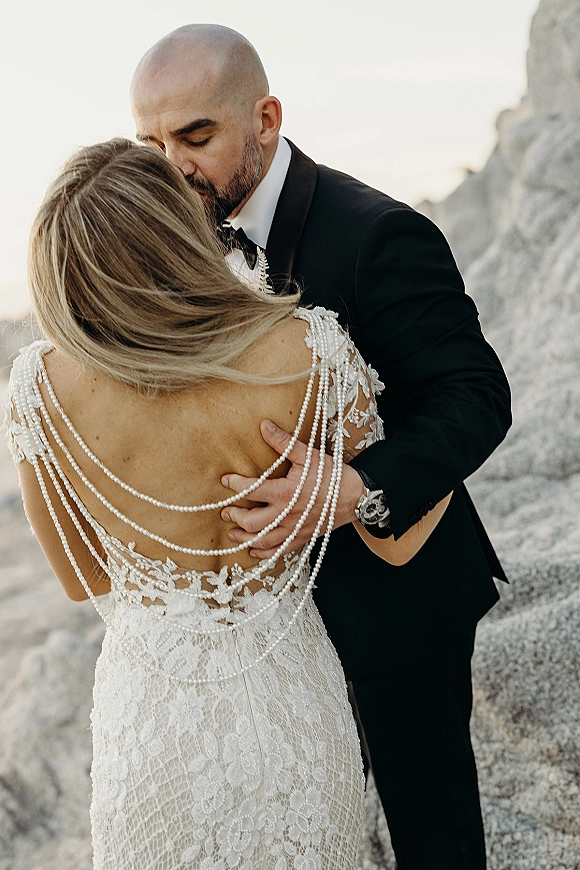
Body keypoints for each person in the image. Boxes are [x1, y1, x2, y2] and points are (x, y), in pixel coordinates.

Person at [7, 139, 453, 870]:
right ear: (179, 233)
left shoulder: (39, 388)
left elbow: (83, 578)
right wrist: (372, 474)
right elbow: (397, 538)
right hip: (292, 713)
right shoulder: (311, 349)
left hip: (151, 728)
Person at [130, 25, 512, 870]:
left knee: (430, 830)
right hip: (264, 618)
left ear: (264, 117)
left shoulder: (380, 232)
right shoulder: (179, 229)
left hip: (398, 592)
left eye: (194, 137)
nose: (170, 167)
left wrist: (356, 488)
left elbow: (476, 397)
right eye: (150, 144)